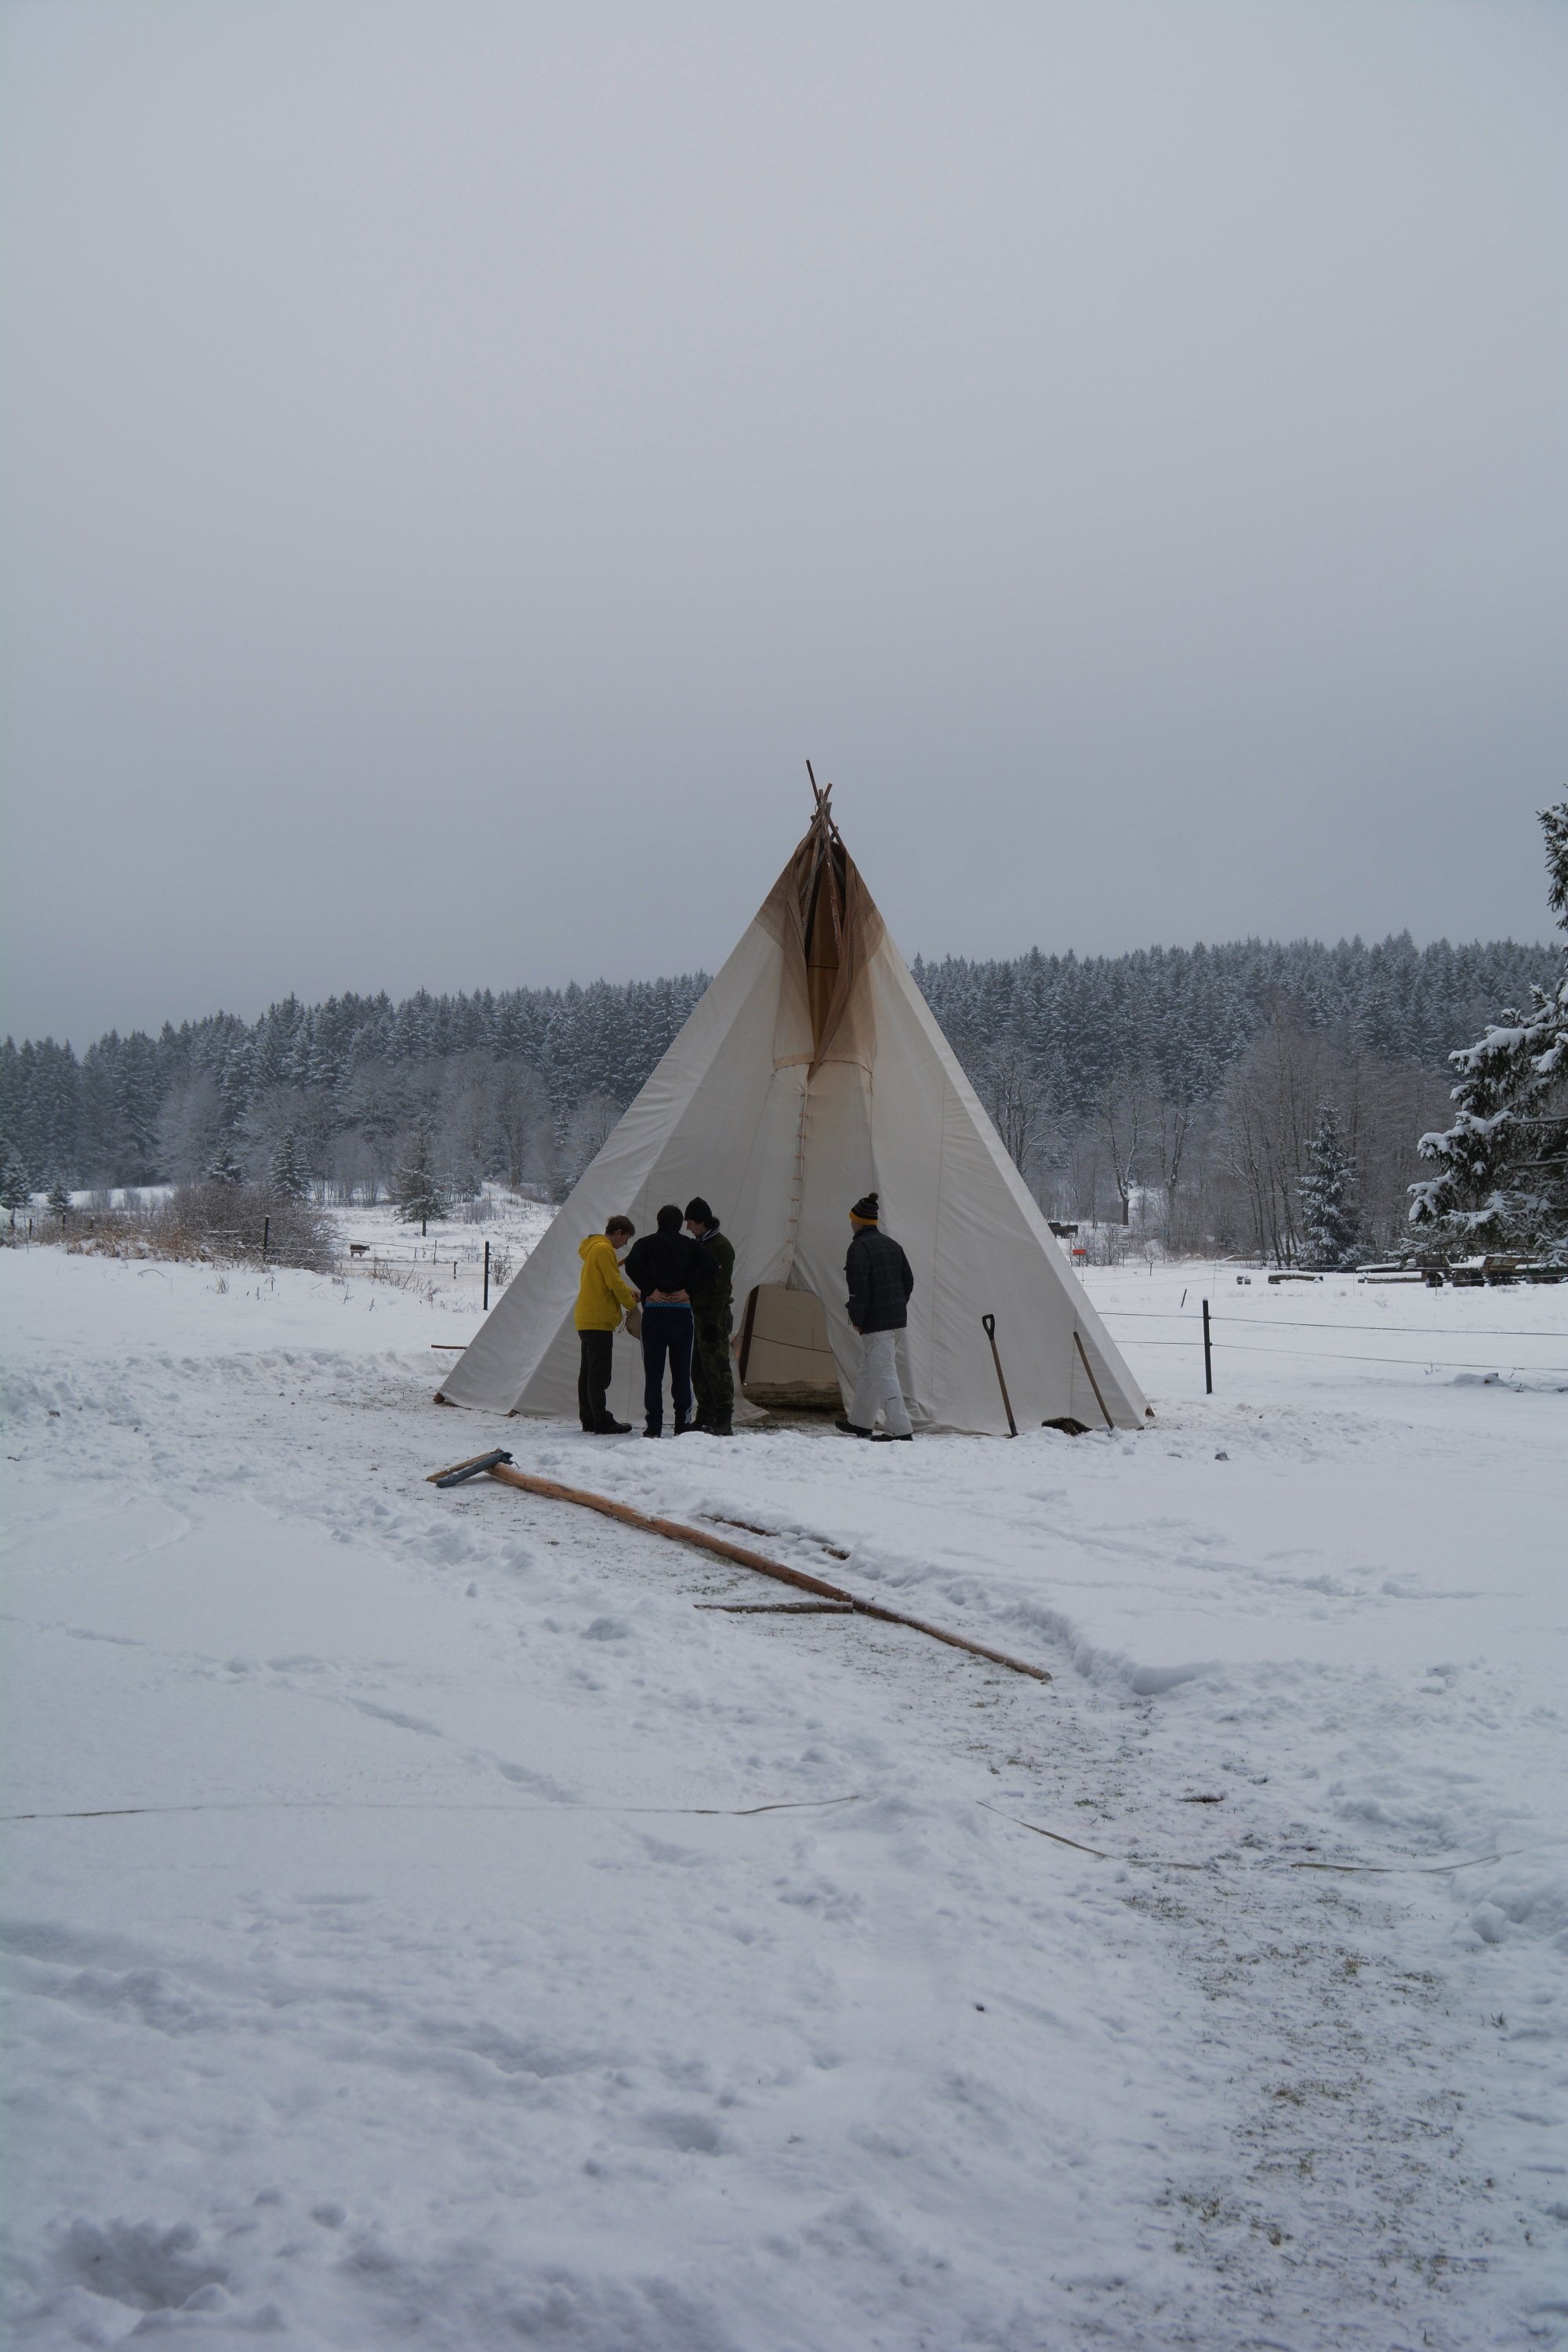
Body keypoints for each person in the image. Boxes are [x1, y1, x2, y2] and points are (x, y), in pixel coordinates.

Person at [623, 1206, 717, 1437]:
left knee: (653, 1373)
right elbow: (713, 1266)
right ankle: (681, 1425)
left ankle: (654, 1426)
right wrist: (689, 1290)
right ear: (679, 1223)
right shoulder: (691, 1246)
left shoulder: (645, 1244)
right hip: (681, 1314)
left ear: (658, 1220)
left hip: (654, 1314)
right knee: (681, 1372)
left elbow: (632, 1264)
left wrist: (649, 1289)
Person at [839, 1191, 915, 1440]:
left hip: (877, 1323)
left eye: (852, 1220)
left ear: (859, 1222)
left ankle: (901, 1429)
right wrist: (897, 1306)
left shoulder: (858, 1248)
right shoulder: (893, 1245)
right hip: (897, 1321)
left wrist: (858, 1319)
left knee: (883, 1371)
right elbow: (908, 1281)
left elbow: (859, 1289)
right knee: (870, 1368)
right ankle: (860, 1422)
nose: (851, 1224)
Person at [573, 1215, 638, 1433]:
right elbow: (613, 1281)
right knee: (599, 1374)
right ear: (618, 1232)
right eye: (626, 1239)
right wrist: (630, 1303)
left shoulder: (592, 1248)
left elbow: (605, 1281)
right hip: (599, 1320)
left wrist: (627, 1293)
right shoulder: (604, 1249)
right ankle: (602, 1420)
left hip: (586, 1317)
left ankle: (589, 1418)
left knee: (588, 1373)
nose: (625, 1245)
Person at [683, 1196, 735, 1436]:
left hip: (714, 1315)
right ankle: (705, 1414)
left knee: (717, 1367)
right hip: (700, 1314)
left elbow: (722, 1287)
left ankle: (724, 1416)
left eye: (691, 1222)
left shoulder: (721, 1247)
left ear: (702, 1221)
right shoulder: (701, 1244)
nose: (688, 1227)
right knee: (699, 1368)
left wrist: (714, 1321)